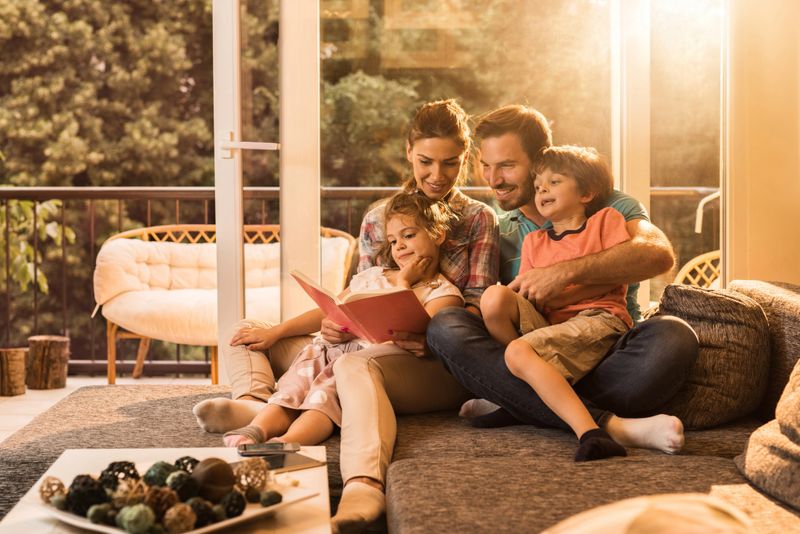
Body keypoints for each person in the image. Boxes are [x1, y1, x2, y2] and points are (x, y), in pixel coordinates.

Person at [193, 99, 499, 532]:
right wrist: (325, 322)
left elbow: (475, 305)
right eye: (426, 161)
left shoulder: (478, 219)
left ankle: (363, 482)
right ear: (408, 152)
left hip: (427, 360)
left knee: (354, 365)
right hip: (358, 344)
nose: (437, 175)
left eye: (450, 163)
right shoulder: (379, 218)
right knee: (251, 332)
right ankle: (254, 405)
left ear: (464, 159)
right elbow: (358, 295)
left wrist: (432, 335)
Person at [429, 105, 696, 456]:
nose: (494, 180)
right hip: (540, 351)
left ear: (539, 159)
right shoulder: (498, 228)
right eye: (486, 166)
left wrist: (564, 272)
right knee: (446, 327)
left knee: (673, 336)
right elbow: (489, 310)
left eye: (507, 166)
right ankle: (610, 425)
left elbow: (657, 254)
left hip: (609, 350)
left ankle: (515, 401)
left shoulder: (607, 205)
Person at [221, 191, 464, 448]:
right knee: (291, 391)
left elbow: (415, 331)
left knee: (322, 398)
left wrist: (404, 282)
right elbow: (332, 309)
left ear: (438, 234)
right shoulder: (374, 275)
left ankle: (286, 443)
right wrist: (279, 332)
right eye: (393, 241)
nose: (399, 246)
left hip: (362, 367)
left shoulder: (444, 293)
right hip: (329, 351)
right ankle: (255, 430)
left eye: (409, 235)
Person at [483, 144, 667, 462]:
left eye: (554, 182)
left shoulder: (606, 221)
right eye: (538, 186)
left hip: (599, 316)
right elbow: (528, 297)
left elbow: (617, 278)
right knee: (493, 298)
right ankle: (534, 379)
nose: (543, 190)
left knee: (517, 351)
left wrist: (565, 292)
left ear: (586, 193)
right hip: (552, 323)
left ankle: (591, 433)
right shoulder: (533, 242)